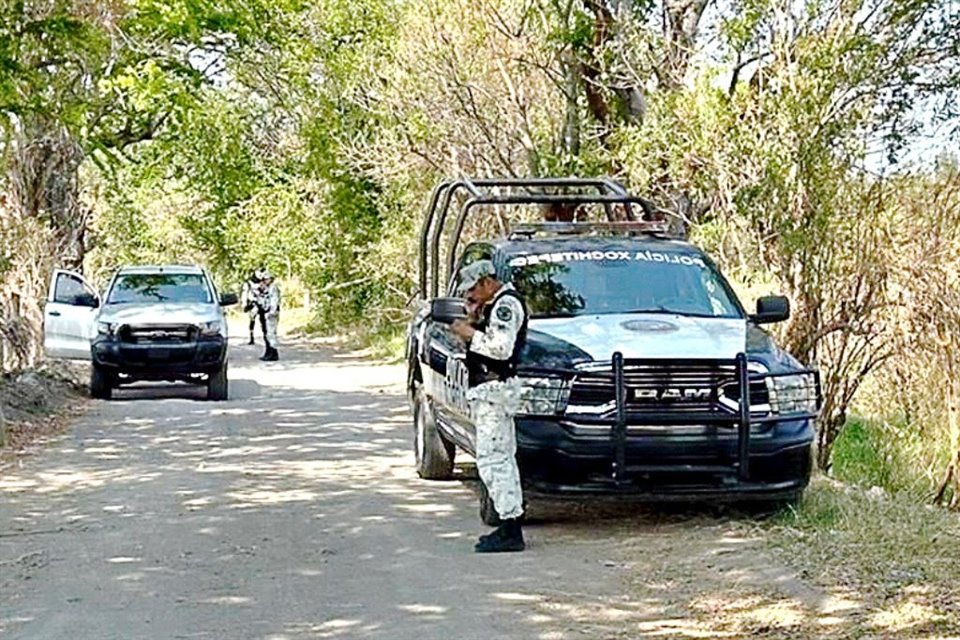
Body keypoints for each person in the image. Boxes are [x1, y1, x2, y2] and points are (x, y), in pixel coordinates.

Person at [450, 260, 528, 553]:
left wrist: (468, 332)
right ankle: (509, 520)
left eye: (472, 291)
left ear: (485, 282)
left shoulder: (506, 305)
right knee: (500, 458)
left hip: (495, 391)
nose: (470, 297)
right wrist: (473, 320)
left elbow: (500, 347)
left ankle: (510, 527)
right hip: (490, 391)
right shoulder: (494, 306)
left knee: (494, 459)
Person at [258, 271, 281, 362]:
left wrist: (272, 311)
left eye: (266, 279)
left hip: (271, 313)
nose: (264, 281)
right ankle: (269, 352)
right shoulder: (267, 288)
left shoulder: (273, 288)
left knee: (271, 333)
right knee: (267, 334)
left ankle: (273, 353)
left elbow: (274, 300)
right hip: (266, 312)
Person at [241, 271, 266, 345]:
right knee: (252, 321)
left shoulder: (263, 283)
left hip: (261, 304)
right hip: (253, 304)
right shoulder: (248, 283)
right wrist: (244, 303)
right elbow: (244, 294)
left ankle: (265, 336)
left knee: (263, 322)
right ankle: (251, 337)